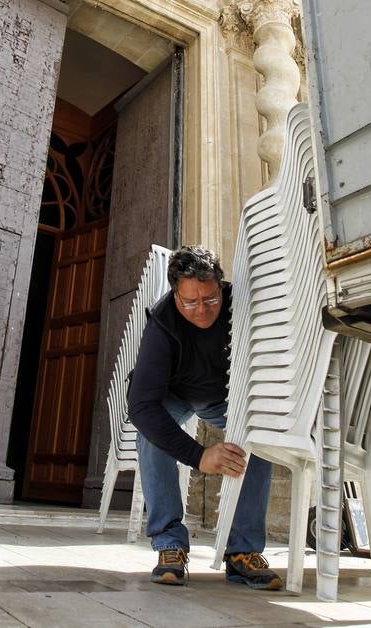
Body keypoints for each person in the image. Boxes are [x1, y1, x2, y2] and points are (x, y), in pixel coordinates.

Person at [128, 244, 281, 589]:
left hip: (224, 396)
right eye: (190, 302)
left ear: (220, 287)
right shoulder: (163, 320)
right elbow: (141, 406)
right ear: (175, 295)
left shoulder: (241, 304)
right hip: (176, 393)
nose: (201, 311)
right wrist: (199, 456)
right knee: (151, 433)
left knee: (260, 430)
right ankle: (169, 543)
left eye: (210, 300)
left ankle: (242, 552)